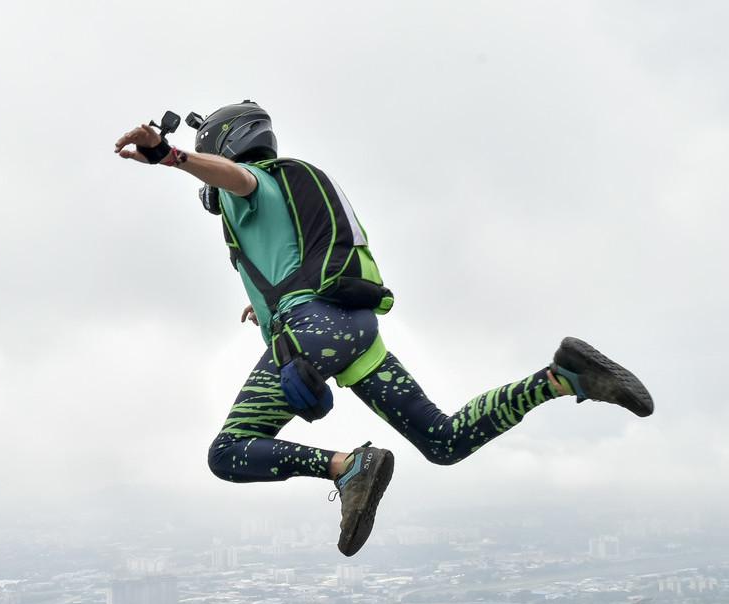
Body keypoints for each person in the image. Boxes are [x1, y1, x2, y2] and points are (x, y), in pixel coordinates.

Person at [113, 101, 654, 556]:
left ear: (224, 145)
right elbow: (297, 259)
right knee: (444, 442)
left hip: (311, 330)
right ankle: (564, 377)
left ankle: (348, 466)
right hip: (350, 329)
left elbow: (234, 177)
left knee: (228, 453)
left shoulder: (254, 185)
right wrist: (266, 305)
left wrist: (170, 155)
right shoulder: (297, 194)